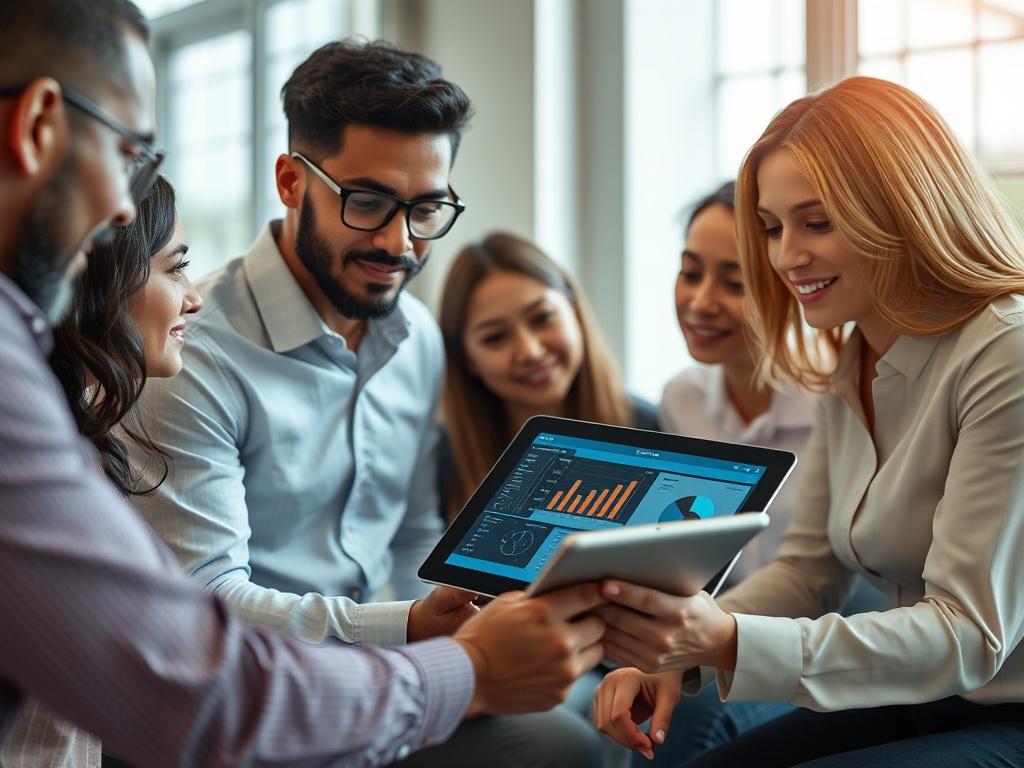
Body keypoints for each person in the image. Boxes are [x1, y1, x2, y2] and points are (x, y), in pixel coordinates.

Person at [0, 2, 607, 766]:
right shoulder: (183, 355)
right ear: (292, 180)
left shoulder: (417, 341)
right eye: (370, 203)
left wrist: (444, 622)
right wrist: (445, 653)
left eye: (426, 210)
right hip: (271, 688)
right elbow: (200, 638)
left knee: (573, 745)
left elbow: (414, 534)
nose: (400, 242)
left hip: (375, 677)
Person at [593, 76, 1024, 767]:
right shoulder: (852, 355)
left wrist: (725, 640)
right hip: (930, 700)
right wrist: (680, 645)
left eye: (817, 222)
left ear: (904, 208)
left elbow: (970, 635)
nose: (787, 256)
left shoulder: (1006, 351)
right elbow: (807, 572)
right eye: (771, 227)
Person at [2, 175, 200, 766]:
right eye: (175, 269)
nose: (194, 297)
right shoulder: (42, 458)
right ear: (101, 279)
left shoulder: (76, 428)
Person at [439, 231, 659, 521]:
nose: (529, 351)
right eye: (495, 337)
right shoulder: (441, 462)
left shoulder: (651, 428)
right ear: (466, 359)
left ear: (574, 310)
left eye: (542, 318)